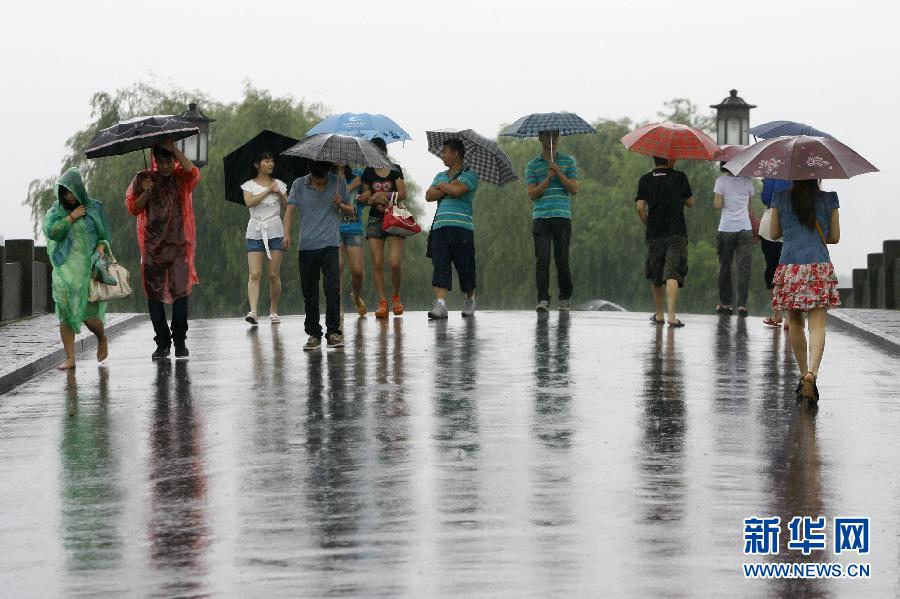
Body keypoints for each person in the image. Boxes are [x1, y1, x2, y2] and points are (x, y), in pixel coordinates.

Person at [125, 140, 200, 360]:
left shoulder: (180, 178)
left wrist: (175, 149)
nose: (165, 166)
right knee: (154, 297)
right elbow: (133, 207)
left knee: (181, 295)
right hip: (152, 247)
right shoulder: (142, 178)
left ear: (174, 160)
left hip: (179, 246)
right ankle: (162, 342)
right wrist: (146, 192)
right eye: (161, 161)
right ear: (155, 160)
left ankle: (180, 340)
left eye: (169, 161)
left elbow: (194, 173)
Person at [770, 179, 841, 402]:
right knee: (817, 324)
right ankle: (813, 373)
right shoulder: (829, 199)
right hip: (818, 265)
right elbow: (835, 237)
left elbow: (773, 234)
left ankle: (803, 375)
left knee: (796, 322)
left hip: (790, 266)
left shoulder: (779, 198)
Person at [43, 168, 112, 370]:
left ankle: (102, 338)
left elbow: (104, 236)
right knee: (65, 314)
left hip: (88, 271)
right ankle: (70, 358)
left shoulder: (95, 209)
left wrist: (100, 249)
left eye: (72, 191)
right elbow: (52, 232)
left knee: (90, 318)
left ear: (80, 189)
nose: (68, 196)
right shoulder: (56, 212)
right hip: (64, 273)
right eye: (64, 192)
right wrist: (71, 217)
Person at [283, 160, 354, 350]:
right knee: (310, 293)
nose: (321, 184)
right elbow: (289, 211)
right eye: (317, 180)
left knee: (332, 289)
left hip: (330, 244)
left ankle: (333, 332)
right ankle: (314, 333)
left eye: (323, 180)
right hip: (307, 246)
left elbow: (352, 210)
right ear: (310, 173)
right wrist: (287, 234)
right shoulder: (299, 184)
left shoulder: (338, 182)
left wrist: (341, 204)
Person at [635, 156, 694, 327]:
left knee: (656, 275)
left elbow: (640, 207)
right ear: (670, 159)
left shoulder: (645, 179)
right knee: (672, 274)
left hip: (654, 234)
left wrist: (648, 223)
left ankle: (660, 314)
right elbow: (690, 202)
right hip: (676, 233)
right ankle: (672, 316)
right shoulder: (679, 177)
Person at [424, 138, 479, 319]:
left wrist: (444, 188)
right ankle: (440, 305)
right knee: (440, 264)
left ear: (456, 153)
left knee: (465, 266)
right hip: (440, 227)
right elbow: (429, 195)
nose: (442, 155)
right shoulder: (440, 176)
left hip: (462, 227)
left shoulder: (470, 174)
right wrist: (446, 186)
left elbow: (458, 191)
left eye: (445, 151)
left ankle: (470, 299)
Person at [525, 130, 579, 313]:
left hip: (562, 216)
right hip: (541, 217)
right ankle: (542, 299)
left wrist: (559, 173)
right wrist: (548, 178)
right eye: (548, 136)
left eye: (556, 136)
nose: (552, 139)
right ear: (540, 138)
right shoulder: (533, 165)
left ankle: (564, 297)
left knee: (562, 259)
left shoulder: (568, 161)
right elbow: (532, 193)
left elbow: (574, 188)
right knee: (542, 259)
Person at [359, 137, 407, 318]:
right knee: (377, 263)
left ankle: (396, 296)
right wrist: (369, 197)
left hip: (395, 217)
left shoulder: (395, 170)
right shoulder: (368, 172)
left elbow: (402, 193)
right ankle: (382, 302)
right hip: (375, 219)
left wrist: (382, 193)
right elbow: (367, 196)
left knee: (394, 262)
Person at [241, 150, 287, 326]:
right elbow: (249, 202)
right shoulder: (248, 185)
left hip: (275, 231)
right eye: (266, 160)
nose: (270, 163)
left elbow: (287, 205)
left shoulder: (279, 184)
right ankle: (253, 311)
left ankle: (273, 310)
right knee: (255, 273)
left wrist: (279, 192)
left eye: (272, 160)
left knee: (274, 274)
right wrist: (268, 191)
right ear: (257, 164)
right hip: (255, 231)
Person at [713, 166, 754, 317]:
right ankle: (742, 305)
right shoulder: (748, 180)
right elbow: (749, 205)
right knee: (744, 267)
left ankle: (725, 303)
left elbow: (717, 204)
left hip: (726, 229)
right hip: (745, 228)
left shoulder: (721, 181)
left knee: (725, 265)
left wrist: (726, 199)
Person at [759, 177, 792, 329]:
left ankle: (777, 314)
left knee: (772, 270)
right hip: (792, 225)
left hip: (770, 225)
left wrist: (766, 182)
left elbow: (766, 199)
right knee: (791, 272)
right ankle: (789, 318)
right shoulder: (800, 174)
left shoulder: (772, 173)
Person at [339, 164, 367, 316]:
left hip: (354, 226)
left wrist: (365, 195)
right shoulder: (329, 178)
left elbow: (367, 194)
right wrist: (351, 186)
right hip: (333, 227)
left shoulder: (357, 174)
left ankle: (355, 296)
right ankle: (338, 306)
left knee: (357, 272)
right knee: (337, 267)